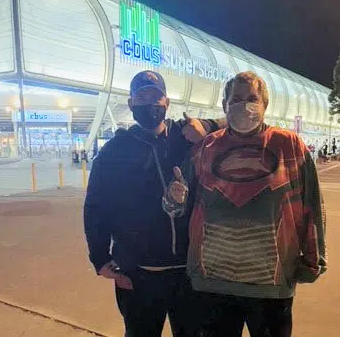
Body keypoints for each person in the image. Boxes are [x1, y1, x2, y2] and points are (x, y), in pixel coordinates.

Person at [164, 71, 327, 337]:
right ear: (224, 105)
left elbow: (312, 206)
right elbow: (175, 209)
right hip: (213, 281)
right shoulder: (205, 148)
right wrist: (173, 198)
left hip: (271, 283)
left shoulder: (289, 146)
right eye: (236, 99)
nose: (244, 105)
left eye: (252, 98)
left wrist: (314, 259)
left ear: (265, 105)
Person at [84, 70, 224, 337]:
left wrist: (207, 125)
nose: (151, 103)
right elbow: (95, 208)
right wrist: (100, 259)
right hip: (137, 276)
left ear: (167, 103)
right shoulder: (114, 152)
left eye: (156, 97)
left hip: (188, 273)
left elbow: (234, 122)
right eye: (142, 96)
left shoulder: (186, 138)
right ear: (131, 104)